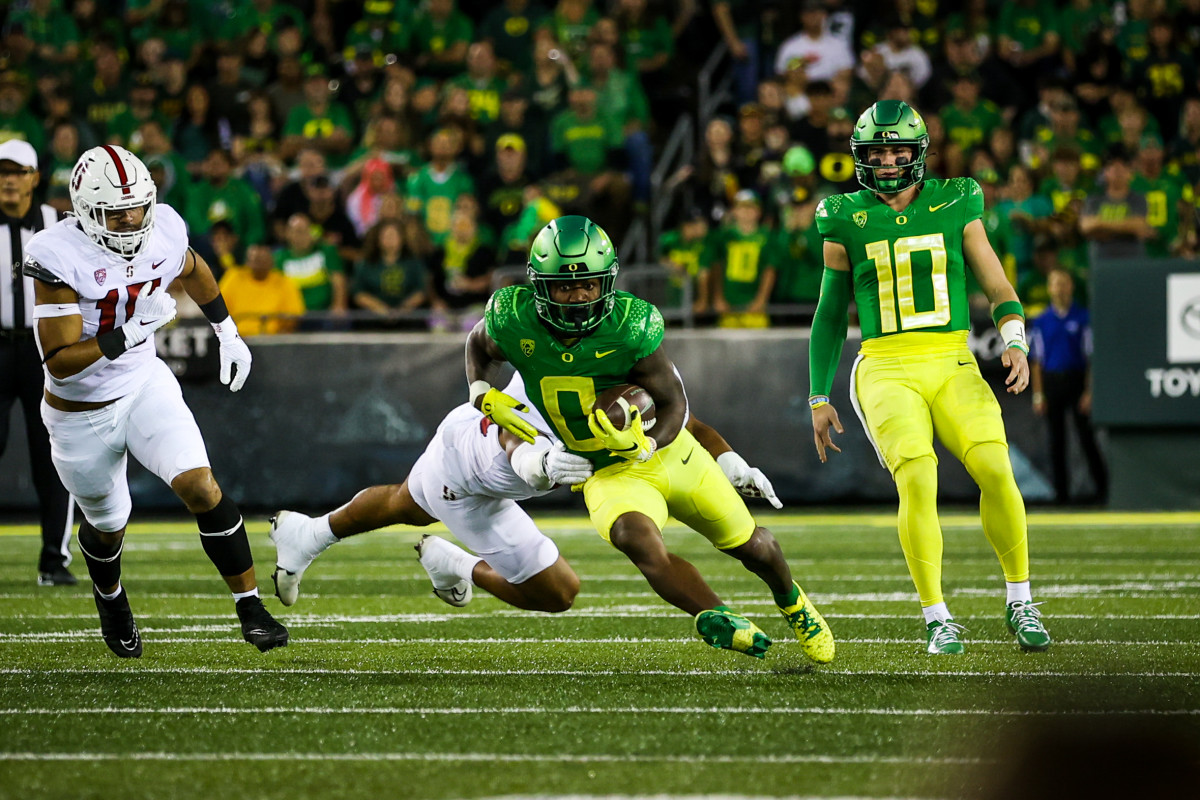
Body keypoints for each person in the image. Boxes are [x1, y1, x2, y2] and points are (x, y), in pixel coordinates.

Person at [464, 215, 834, 662]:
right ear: (539, 285)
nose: (578, 296)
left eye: (589, 285)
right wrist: (481, 392)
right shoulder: (514, 318)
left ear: (609, 282)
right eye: (563, 286)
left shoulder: (630, 326)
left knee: (754, 546)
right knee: (635, 539)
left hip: (669, 454)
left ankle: (792, 601)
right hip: (604, 472)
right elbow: (479, 345)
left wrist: (649, 444)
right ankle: (714, 614)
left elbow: (676, 407)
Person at [24, 144, 288, 658]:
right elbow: (57, 358)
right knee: (107, 526)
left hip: (144, 382)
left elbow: (192, 267)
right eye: (115, 212)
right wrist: (127, 333)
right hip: (81, 413)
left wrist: (227, 331)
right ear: (84, 211)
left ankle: (251, 606)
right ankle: (111, 597)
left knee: (199, 484)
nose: (130, 220)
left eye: (137, 207)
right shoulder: (54, 253)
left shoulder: (162, 225)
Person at [808, 100, 1051, 655]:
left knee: (995, 466)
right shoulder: (843, 214)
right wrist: (818, 393)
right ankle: (937, 615)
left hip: (952, 359)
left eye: (897, 150)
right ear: (860, 156)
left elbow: (998, 284)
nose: (888, 161)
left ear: (918, 153)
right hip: (886, 367)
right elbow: (828, 315)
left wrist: (1015, 342)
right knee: (919, 478)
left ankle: (1021, 600)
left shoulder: (956, 198)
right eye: (877, 151)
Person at [268, 373, 782, 616]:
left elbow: (683, 420)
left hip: (484, 455)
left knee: (404, 501)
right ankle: (454, 564)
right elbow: (511, 432)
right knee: (558, 593)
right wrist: (534, 460)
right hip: (475, 465)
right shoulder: (556, 377)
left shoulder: (631, 367)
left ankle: (307, 534)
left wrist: (729, 460)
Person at [0, 139, 75, 586]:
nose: (8, 179)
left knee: (53, 454)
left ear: (33, 177)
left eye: (16, 170)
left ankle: (54, 559)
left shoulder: (57, 224)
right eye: (1, 171)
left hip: (43, 349)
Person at [1030, 269, 1107, 504]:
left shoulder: (1083, 318)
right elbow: (1036, 361)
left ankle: (1102, 490)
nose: (1060, 288)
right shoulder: (1042, 321)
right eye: (1055, 284)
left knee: (1086, 437)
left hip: (1076, 379)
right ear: (1049, 288)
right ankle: (1060, 495)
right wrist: (1038, 394)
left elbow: (1091, 357)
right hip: (1053, 380)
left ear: (1071, 287)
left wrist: (1089, 391)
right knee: (1056, 440)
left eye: (1064, 283)